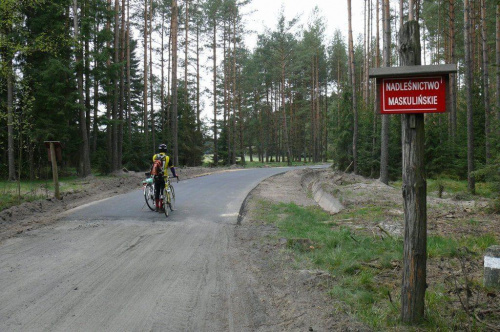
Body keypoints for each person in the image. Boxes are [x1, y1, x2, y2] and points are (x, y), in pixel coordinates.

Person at [152, 143, 177, 212]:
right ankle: (161, 207)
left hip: (156, 176)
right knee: (163, 191)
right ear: (166, 150)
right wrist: (174, 174)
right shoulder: (167, 157)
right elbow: (171, 167)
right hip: (164, 176)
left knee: (157, 191)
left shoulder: (154, 156)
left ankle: (157, 207)